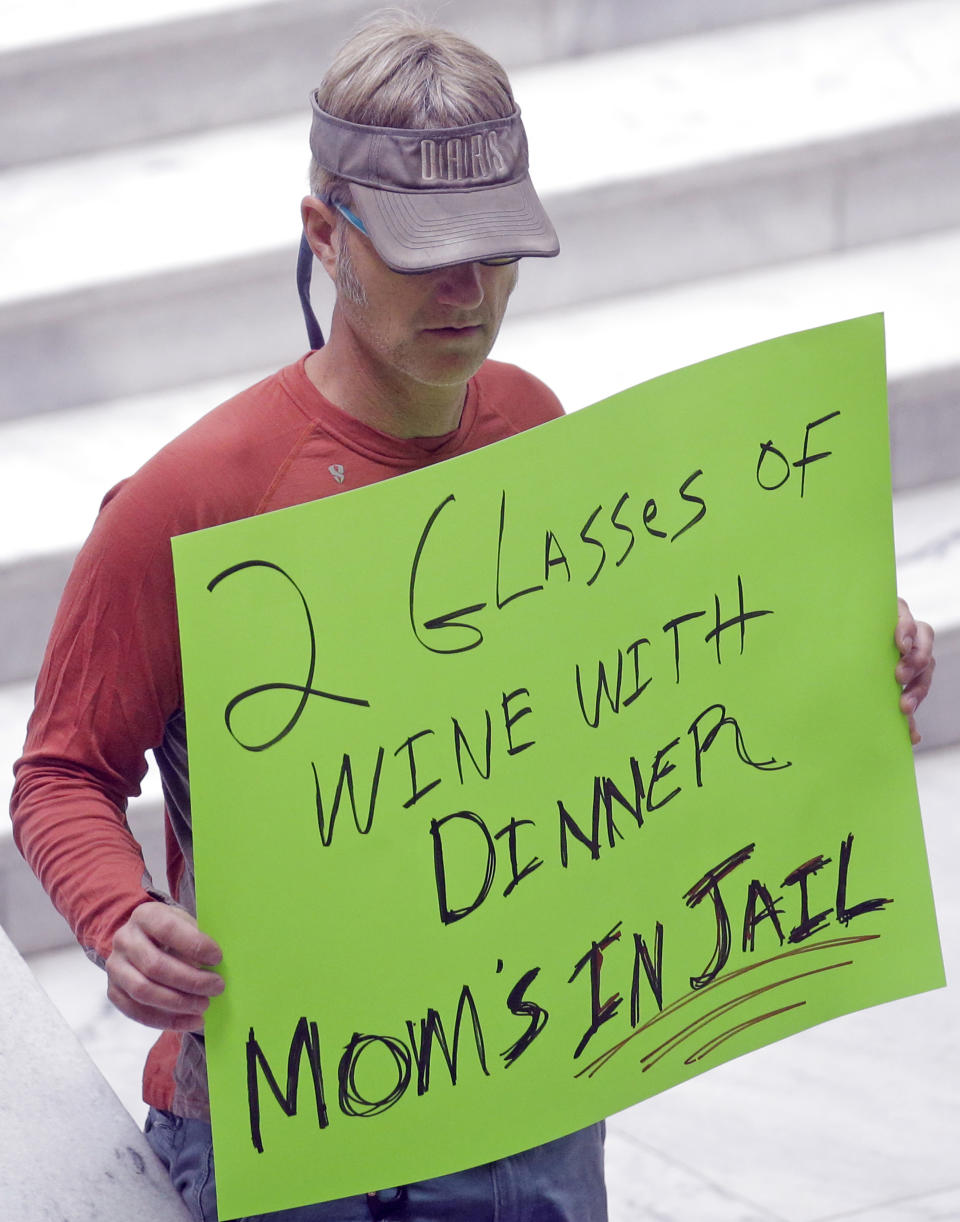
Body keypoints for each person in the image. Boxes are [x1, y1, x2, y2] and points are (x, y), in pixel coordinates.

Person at [8, 12, 935, 1222]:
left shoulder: (532, 424)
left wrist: (842, 650)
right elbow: (60, 769)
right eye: (425, 250)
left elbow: (651, 683)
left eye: (497, 249)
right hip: (296, 1131)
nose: (470, 288)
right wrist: (117, 912)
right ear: (325, 236)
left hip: (538, 1098)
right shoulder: (193, 498)